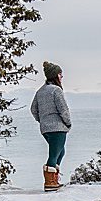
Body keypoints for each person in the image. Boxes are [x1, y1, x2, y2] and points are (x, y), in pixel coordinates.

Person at [30, 61, 72, 192]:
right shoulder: (56, 90)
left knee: (60, 151)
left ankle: (54, 178)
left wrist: (41, 120)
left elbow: (33, 109)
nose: (62, 77)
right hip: (58, 127)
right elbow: (63, 109)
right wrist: (68, 122)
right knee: (54, 154)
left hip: (45, 128)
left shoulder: (40, 91)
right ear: (55, 76)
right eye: (60, 74)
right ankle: (50, 182)